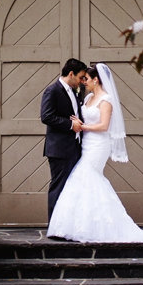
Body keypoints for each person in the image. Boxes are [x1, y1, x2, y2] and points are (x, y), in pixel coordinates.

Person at [47, 62, 143, 245]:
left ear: (96, 80)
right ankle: (85, 225)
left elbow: (104, 126)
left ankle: (91, 226)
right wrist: (76, 123)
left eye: (86, 79)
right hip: (85, 144)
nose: (83, 82)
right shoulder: (87, 99)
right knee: (85, 181)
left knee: (85, 176)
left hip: (98, 146)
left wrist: (83, 126)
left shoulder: (107, 100)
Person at [40, 58, 88, 220]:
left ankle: (67, 225)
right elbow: (46, 116)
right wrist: (70, 125)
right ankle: (54, 226)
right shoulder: (52, 90)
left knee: (71, 188)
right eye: (81, 77)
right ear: (71, 74)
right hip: (59, 149)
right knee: (59, 187)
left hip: (74, 147)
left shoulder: (75, 92)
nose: (82, 81)